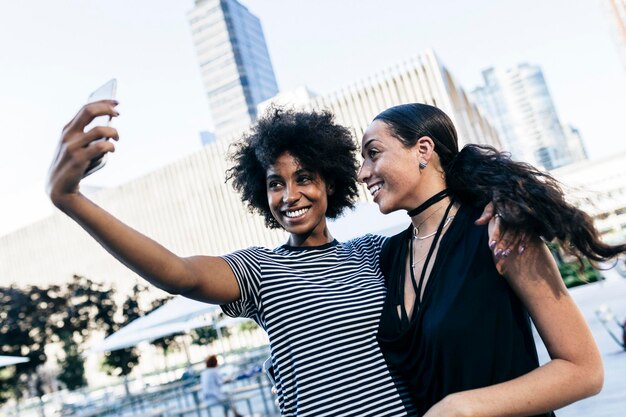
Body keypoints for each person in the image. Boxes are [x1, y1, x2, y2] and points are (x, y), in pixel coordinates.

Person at [48, 102, 425, 416]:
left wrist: (486, 191)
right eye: (275, 183)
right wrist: (71, 199)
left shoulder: (373, 253)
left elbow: (442, 226)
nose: (289, 195)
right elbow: (179, 274)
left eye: (304, 178)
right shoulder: (260, 269)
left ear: (329, 183)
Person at [358, 103, 626, 417]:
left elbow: (583, 370)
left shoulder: (500, 232)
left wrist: (462, 407)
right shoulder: (386, 256)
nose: (362, 173)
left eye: (373, 153)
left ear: (423, 149)